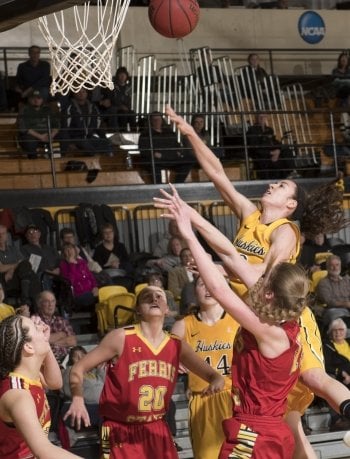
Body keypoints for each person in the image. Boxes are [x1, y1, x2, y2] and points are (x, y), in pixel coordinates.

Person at [160, 106, 350, 458]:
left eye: (280, 186)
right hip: (254, 315)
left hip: (280, 317)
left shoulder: (286, 233)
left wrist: (204, 243)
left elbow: (264, 280)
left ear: (290, 204)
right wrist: (190, 133)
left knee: (313, 380)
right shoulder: (251, 216)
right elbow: (217, 174)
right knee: (285, 419)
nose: (271, 184)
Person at [160, 187, 309, 458]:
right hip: (262, 429)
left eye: (265, 281)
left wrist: (189, 236)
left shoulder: (269, 332)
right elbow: (230, 254)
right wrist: (191, 216)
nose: (259, 282)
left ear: (270, 293)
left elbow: (219, 290)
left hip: (257, 432)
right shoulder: (283, 314)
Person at [63, 285, 224, 458]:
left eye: (159, 296)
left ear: (167, 308)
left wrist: (216, 381)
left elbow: (214, 376)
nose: (154, 299)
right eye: (147, 296)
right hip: (116, 427)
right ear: (138, 309)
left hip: (157, 427)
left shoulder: (176, 345)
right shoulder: (120, 337)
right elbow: (77, 369)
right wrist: (78, 399)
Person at [172, 275, 239, 459]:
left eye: (212, 283)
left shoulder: (237, 320)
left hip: (235, 398)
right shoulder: (183, 325)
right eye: (203, 284)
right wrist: (174, 359)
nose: (208, 289)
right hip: (203, 399)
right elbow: (166, 349)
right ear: (195, 291)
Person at [0, 314, 82, 458]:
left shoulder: (31, 375)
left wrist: (44, 342)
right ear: (28, 346)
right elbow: (44, 451)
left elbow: (55, 383)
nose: (42, 326)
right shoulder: (18, 395)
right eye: (35, 327)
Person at [138, 111, 194, 184]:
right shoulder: (145, 134)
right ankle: (158, 187)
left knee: (189, 160)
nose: (157, 121)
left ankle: (178, 184)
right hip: (157, 161)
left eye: (158, 119)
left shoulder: (169, 132)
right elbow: (143, 150)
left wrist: (178, 151)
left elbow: (177, 145)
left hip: (171, 158)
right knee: (153, 165)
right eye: (154, 120)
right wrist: (154, 154)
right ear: (151, 121)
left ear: (162, 120)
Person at [61, 88, 113, 157]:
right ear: (74, 94)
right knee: (87, 145)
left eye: (83, 91)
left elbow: (99, 125)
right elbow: (64, 128)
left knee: (106, 143)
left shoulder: (92, 107)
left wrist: (104, 138)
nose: (81, 94)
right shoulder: (69, 107)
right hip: (75, 138)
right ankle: (94, 162)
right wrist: (68, 143)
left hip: (89, 137)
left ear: (87, 93)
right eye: (78, 92)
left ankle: (109, 162)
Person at [0, 224, 41, 309]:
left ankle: (26, 299)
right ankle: (34, 309)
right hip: (6, 280)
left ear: (7, 235)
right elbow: (1, 268)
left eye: (3, 233)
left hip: (19, 278)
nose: (1, 236)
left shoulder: (13, 249)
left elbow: (23, 262)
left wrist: (11, 269)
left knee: (28, 269)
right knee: (31, 277)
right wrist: (15, 265)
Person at [32, 290, 77, 364]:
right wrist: (61, 335)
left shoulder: (61, 320)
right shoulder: (35, 321)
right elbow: (38, 342)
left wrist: (51, 343)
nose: (51, 305)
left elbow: (73, 341)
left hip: (67, 360)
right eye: (47, 301)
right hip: (46, 361)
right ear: (39, 304)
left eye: (53, 301)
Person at [246, 113, 293, 179]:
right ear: (256, 118)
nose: (262, 119)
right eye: (260, 117)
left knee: (287, 151)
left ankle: (291, 172)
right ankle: (283, 177)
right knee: (278, 163)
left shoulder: (269, 129)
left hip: (273, 152)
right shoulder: (252, 130)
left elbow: (274, 141)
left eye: (264, 117)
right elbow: (254, 148)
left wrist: (278, 151)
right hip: (262, 155)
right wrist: (271, 153)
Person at [323, 318, 350, 430]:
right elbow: (326, 365)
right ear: (330, 332)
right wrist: (340, 372)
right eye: (335, 330)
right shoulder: (327, 346)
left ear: (345, 331)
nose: (338, 332)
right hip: (339, 378)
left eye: (340, 330)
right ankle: (337, 419)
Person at [17, 89, 61, 159]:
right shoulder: (24, 110)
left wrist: (51, 135)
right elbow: (23, 127)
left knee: (63, 137)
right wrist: (40, 137)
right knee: (29, 142)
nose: (36, 100)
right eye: (33, 98)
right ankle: (33, 163)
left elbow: (56, 125)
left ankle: (58, 161)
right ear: (29, 99)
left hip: (48, 135)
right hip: (32, 136)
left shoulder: (48, 110)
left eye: (39, 98)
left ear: (42, 100)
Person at [93, 222, 133, 290]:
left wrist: (119, 265)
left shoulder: (120, 246)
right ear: (102, 235)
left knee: (129, 267)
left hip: (121, 271)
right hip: (107, 274)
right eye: (105, 232)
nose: (108, 234)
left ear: (113, 233)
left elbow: (127, 260)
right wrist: (109, 266)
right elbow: (98, 266)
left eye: (110, 232)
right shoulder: (98, 249)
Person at [60, 242, 98, 311]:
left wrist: (95, 287)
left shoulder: (82, 262)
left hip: (90, 290)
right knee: (94, 298)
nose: (69, 251)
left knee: (105, 293)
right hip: (77, 294)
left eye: (71, 248)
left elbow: (90, 276)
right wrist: (72, 265)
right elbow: (70, 281)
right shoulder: (63, 265)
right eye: (66, 249)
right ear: (64, 253)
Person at [315, 254, 350, 328]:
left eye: (337, 265)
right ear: (327, 267)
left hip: (348, 309)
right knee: (336, 314)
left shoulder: (347, 280)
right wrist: (346, 304)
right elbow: (329, 301)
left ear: (340, 266)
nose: (335, 268)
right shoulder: (323, 283)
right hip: (331, 310)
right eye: (332, 265)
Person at [99, 66, 136, 131]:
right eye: (120, 74)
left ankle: (134, 132)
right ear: (117, 76)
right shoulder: (113, 87)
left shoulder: (128, 88)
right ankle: (123, 132)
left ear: (126, 76)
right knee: (123, 114)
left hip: (126, 108)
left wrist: (126, 107)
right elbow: (111, 100)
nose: (122, 76)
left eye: (124, 75)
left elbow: (128, 100)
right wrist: (120, 106)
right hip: (116, 109)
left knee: (132, 113)